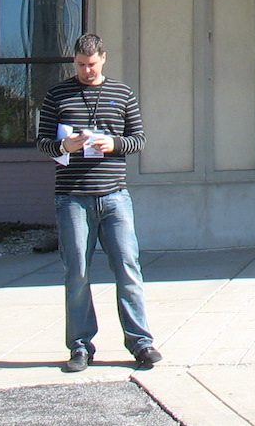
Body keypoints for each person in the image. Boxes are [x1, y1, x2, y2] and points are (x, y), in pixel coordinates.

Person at [35, 33, 161, 372]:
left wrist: (113, 144)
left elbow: (138, 140)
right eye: (80, 65)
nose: (86, 71)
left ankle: (141, 343)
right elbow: (43, 142)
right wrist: (66, 147)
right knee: (77, 272)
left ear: (103, 58)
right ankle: (80, 347)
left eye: (91, 65)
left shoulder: (122, 93)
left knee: (128, 269)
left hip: (115, 196)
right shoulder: (58, 94)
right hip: (73, 198)